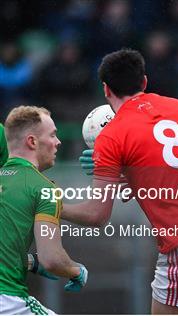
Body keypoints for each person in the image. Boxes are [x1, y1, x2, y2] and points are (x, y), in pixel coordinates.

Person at [61, 49, 178, 314]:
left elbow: (97, 215)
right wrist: (140, 178)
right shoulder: (177, 106)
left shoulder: (111, 135)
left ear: (106, 90)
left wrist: (52, 206)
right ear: (144, 82)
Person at [0, 106, 87, 314]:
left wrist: (28, 262)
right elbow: (52, 259)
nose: (58, 142)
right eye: (53, 135)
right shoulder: (45, 188)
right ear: (32, 142)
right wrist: (76, 270)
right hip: (8, 301)